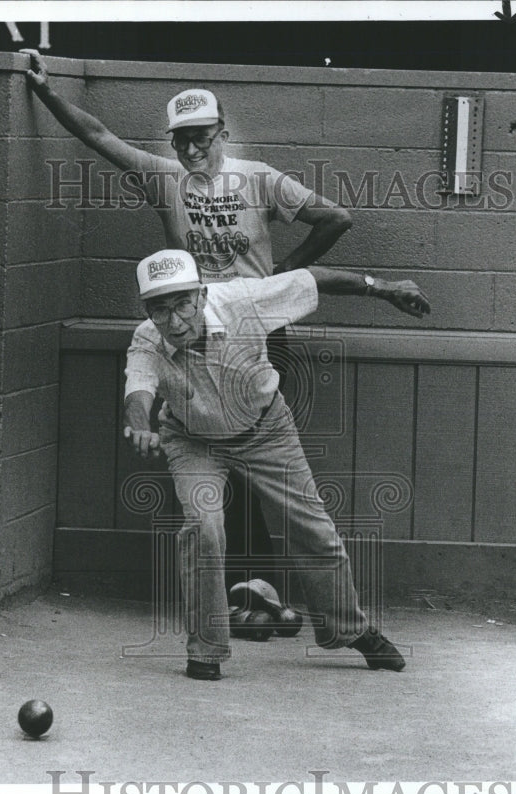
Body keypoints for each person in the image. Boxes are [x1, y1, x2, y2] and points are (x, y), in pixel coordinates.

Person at [23, 50, 354, 599]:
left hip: (255, 330)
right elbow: (100, 136)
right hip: (188, 329)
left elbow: (336, 218)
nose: (193, 149)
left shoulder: (260, 180)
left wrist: (284, 272)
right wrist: (48, 90)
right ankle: (246, 590)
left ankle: (263, 587)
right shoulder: (165, 179)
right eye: (182, 140)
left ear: (222, 133)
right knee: (210, 457)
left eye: (203, 137)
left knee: (256, 455)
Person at [123, 248, 430, 680]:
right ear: (147, 311)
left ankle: (354, 630)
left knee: (314, 530)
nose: (174, 322)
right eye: (160, 310)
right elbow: (139, 389)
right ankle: (206, 651)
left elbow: (312, 277)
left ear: (202, 294)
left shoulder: (243, 301)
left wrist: (384, 288)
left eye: (182, 306)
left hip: (267, 430)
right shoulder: (147, 339)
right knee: (204, 527)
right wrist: (139, 425)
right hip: (194, 442)